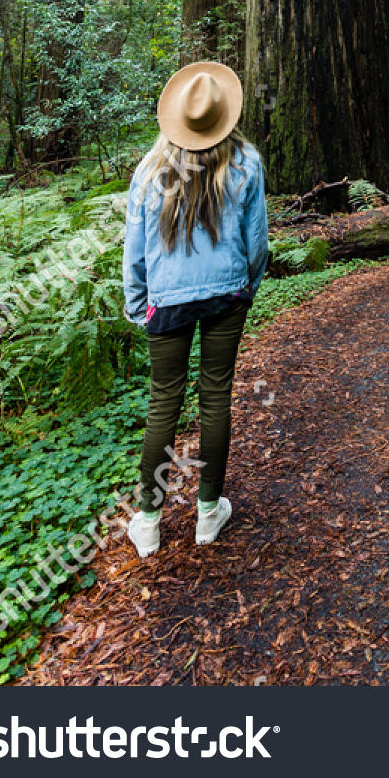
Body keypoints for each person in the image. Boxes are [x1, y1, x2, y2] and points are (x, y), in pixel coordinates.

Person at [122, 61, 268, 558]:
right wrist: (247, 285)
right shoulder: (246, 161)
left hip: (166, 298)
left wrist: (137, 300)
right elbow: (257, 243)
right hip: (226, 293)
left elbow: (135, 250)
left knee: (164, 402)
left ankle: (148, 522)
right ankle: (208, 514)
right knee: (215, 397)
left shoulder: (150, 169)